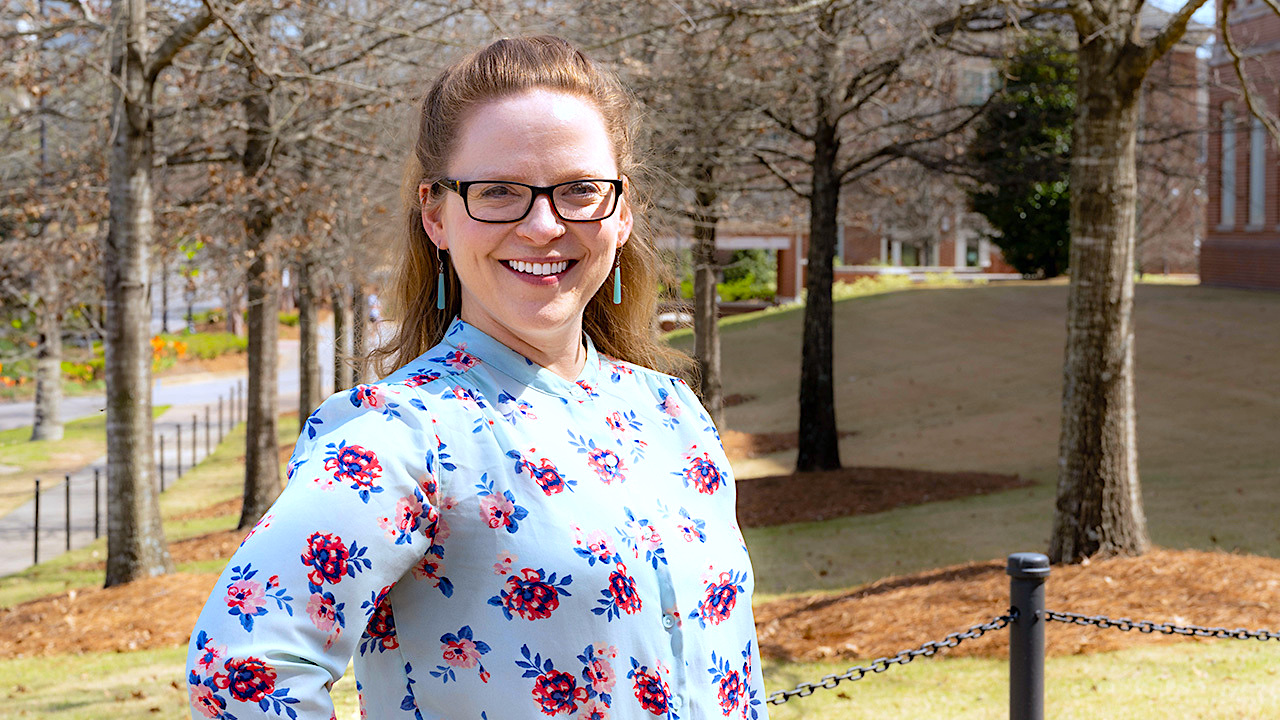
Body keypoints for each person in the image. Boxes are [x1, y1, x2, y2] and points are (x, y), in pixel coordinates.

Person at [186, 35, 766, 720]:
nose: (544, 225)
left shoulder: (673, 417)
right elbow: (239, 668)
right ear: (436, 214)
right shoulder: (400, 437)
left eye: (580, 189)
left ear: (623, 209)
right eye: (498, 192)